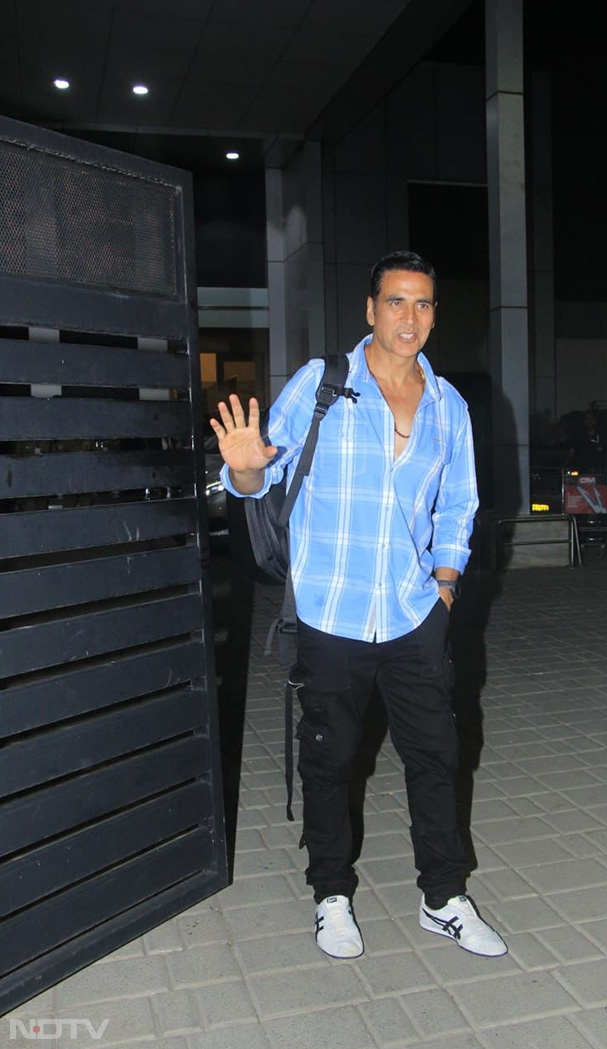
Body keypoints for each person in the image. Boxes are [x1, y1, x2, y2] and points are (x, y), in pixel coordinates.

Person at [211, 250, 507, 960]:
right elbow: (259, 471)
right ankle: (331, 893)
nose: (410, 317)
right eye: (396, 302)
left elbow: (459, 500)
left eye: (424, 303)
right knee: (330, 757)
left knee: (437, 755)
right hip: (329, 610)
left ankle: (444, 896)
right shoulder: (324, 383)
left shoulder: (449, 405)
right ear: (370, 309)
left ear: (435, 313)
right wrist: (247, 467)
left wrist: (444, 579)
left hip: (412, 612)